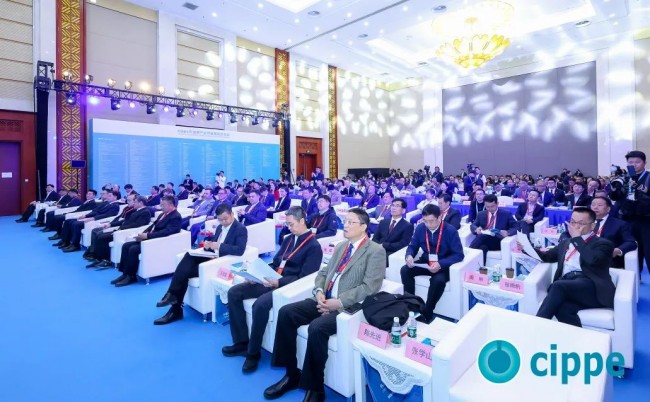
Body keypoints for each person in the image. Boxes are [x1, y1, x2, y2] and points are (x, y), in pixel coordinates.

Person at [264, 208, 385, 402]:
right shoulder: (341, 246)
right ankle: (291, 374)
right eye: (345, 221)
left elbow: (370, 287)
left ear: (363, 227)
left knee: (317, 327)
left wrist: (339, 302)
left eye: (351, 222)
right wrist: (319, 291)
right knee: (286, 312)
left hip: (347, 307)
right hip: (324, 298)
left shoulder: (375, 251)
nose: (345, 225)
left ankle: (315, 389)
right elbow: (323, 273)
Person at [223, 206, 322, 373]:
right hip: (272, 279)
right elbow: (276, 262)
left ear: (302, 221)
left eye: (291, 224)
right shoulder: (288, 239)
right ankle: (241, 343)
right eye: (287, 224)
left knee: (260, 305)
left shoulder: (313, 246)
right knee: (234, 292)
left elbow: (304, 277)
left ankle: (253, 353)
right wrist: (256, 274)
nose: (288, 228)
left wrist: (279, 282)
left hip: (288, 286)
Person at [520, 207, 615, 327]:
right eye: (573, 222)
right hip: (569, 286)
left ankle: (535, 327)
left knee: (558, 286)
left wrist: (577, 239)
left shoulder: (603, 244)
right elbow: (548, 256)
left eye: (581, 223)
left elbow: (593, 260)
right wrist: (526, 248)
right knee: (563, 309)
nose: (575, 226)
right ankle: (579, 337)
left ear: (593, 226)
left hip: (592, 288)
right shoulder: (566, 242)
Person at [154, 203, 247, 324]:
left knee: (184, 273)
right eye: (220, 219)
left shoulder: (240, 229)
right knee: (188, 256)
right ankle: (173, 300)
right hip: (212, 256)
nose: (223, 222)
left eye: (225, 219)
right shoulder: (220, 227)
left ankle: (174, 305)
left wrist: (219, 246)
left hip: (221, 263)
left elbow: (239, 250)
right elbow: (214, 242)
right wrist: (208, 243)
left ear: (232, 214)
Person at [400, 204, 464, 323]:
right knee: (405, 270)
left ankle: (427, 312)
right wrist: (409, 255)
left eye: (431, 221)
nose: (428, 224)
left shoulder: (450, 231)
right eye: (425, 221)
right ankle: (411, 305)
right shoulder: (420, 228)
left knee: (438, 280)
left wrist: (441, 264)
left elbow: (458, 254)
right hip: (426, 262)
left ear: (439, 218)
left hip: (443, 265)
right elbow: (413, 245)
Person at [111, 195, 182, 287]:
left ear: (171, 204)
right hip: (150, 238)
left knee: (133, 249)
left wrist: (147, 236)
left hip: (158, 242)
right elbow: (153, 226)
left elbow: (167, 232)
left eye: (163, 205)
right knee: (126, 245)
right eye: (161, 205)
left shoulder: (176, 216)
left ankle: (131, 276)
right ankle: (125, 273)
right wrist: (142, 234)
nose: (161, 207)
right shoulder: (162, 214)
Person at [85, 195, 152, 269]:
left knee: (102, 237)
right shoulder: (136, 210)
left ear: (141, 203)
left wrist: (121, 229)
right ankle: (99, 258)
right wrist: (111, 224)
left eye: (135, 202)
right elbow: (124, 221)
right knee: (99, 235)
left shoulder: (145, 212)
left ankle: (106, 260)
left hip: (126, 232)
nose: (134, 203)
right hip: (122, 229)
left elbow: (137, 225)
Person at [619, 151, 650, 275]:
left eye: (637, 162)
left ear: (644, 162)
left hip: (646, 220)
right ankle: (634, 278)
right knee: (631, 250)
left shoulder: (648, 177)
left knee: (648, 249)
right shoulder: (624, 178)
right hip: (628, 219)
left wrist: (639, 187)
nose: (634, 165)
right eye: (630, 162)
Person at [469, 194, 518, 265]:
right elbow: (473, 225)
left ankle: (469, 253)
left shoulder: (506, 214)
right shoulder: (481, 214)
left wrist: (508, 232)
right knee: (482, 248)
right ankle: (481, 268)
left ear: (497, 204)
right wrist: (476, 229)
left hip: (498, 240)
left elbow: (517, 227)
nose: (490, 209)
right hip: (484, 241)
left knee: (482, 236)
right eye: (487, 207)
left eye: (492, 206)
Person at [372, 197, 414, 265]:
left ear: (403, 210)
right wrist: (378, 246)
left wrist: (384, 245)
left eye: (397, 206)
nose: (393, 208)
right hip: (377, 249)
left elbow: (403, 244)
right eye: (392, 205)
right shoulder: (383, 222)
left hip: (391, 252)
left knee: (376, 260)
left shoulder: (407, 226)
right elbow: (375, 238)